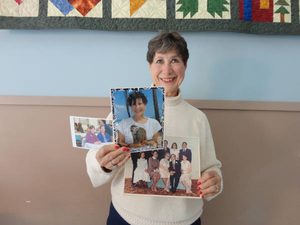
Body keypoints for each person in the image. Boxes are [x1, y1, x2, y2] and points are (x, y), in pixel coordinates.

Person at [86, 31, 223, 225]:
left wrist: (215, 181)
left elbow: (211, 167)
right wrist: (102, 164)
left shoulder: (198, 119)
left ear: (185, 66)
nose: (167, 70)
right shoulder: (121, 113)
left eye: (175, 60)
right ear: (150, 66)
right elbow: (93, 161)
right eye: (159, 61)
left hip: (186, 220)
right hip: (127, 217)